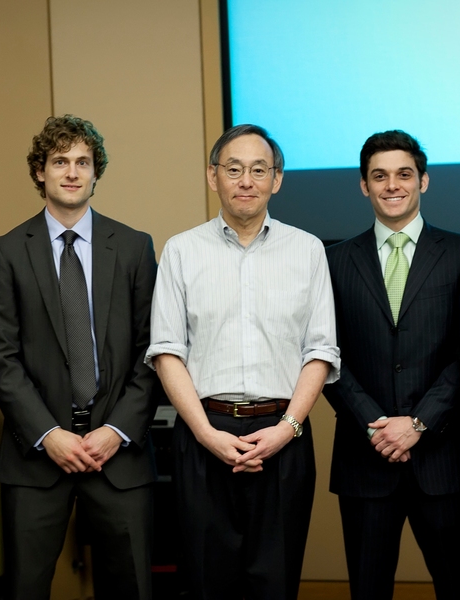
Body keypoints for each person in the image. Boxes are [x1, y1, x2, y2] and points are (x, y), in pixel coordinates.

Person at [146, 124, 340, 600]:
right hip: (203, 433)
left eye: (259, 169)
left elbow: (320, 350)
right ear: (213, 176)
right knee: (206, 582)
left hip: (283, 436)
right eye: (234, 169)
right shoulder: (181, 251)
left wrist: (287, 428)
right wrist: (206, 434)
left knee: (275, 581)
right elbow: (167, 351)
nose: (246, 181)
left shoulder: (308, 250)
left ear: (277, 179)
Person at [0, 115, 157, 599]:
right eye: (60, 161)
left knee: (132, 589)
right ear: (40, 171)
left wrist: (116, 430)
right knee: (25, 589)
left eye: (83, 162)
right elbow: (1, 356)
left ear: (97, 171)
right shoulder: (8, 251)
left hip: (117, 454)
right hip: (36, 457)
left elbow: (153, 351)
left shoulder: (136, 248)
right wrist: (48, 434)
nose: (72, 172)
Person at [324, 130, 460, 599]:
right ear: (363, 186)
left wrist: (418, 423)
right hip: (365, 458)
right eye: (379, 176)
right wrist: (375, 426)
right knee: (368, 589)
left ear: (424, 182)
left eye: (404, 174)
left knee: (457, 586)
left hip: (443, 456)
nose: (392, 185)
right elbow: (324, 354)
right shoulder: (331, 261)